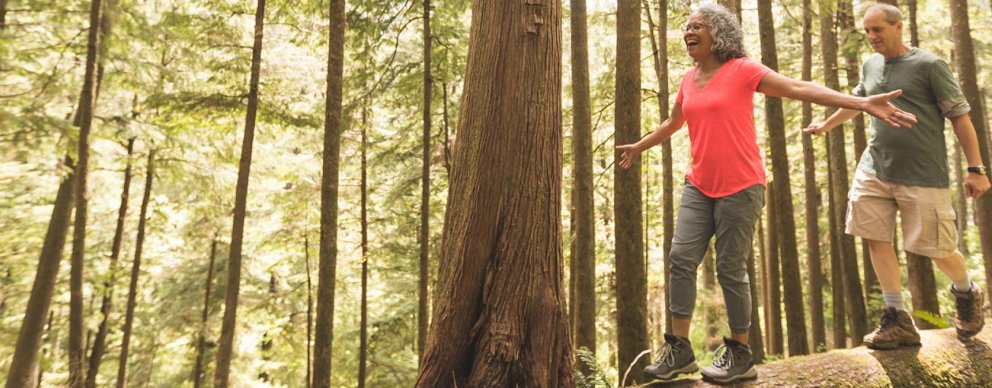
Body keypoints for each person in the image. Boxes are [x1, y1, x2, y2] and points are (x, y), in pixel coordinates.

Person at [616, 3, 917, 384]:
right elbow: (674, 121)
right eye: (687, 27)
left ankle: (740, 352)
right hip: (700, 184)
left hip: (741, 186)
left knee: (729, 267)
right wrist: (640, 146)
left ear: (719, 33)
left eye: (697, 26)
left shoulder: (743, 70)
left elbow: (797, 87)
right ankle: (678, 348)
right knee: (680, 259)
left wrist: (860, 103)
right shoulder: (689, 79)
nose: (688, 32)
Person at [805, 3, 990, 350]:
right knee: (874, 235)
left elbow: (961, 117)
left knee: (937, 248)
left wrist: (976, 169)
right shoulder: (870, 64)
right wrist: (827, 125)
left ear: (898, 27)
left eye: (878, 30)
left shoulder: (929, 65)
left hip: (922, 173)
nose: (872, 37)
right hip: (875, 167)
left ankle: (966, 291)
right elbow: (861, 101)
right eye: (868, 31)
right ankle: (897, 316)